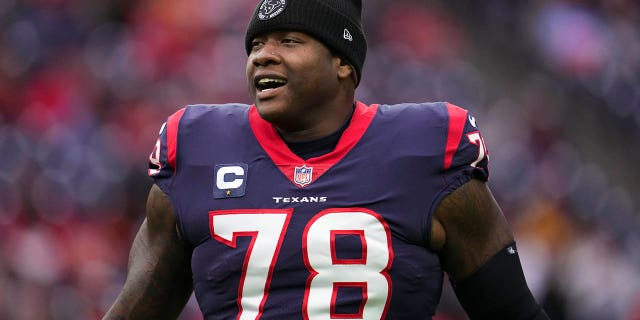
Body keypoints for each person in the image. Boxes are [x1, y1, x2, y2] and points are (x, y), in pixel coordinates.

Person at [103, 0, 550, 319]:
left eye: (289, 40)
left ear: (343, 62)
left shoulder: (424, 149)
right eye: (256, 44)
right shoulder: (199, 147)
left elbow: (511, 311)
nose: (263, 54)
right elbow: (137, 307)